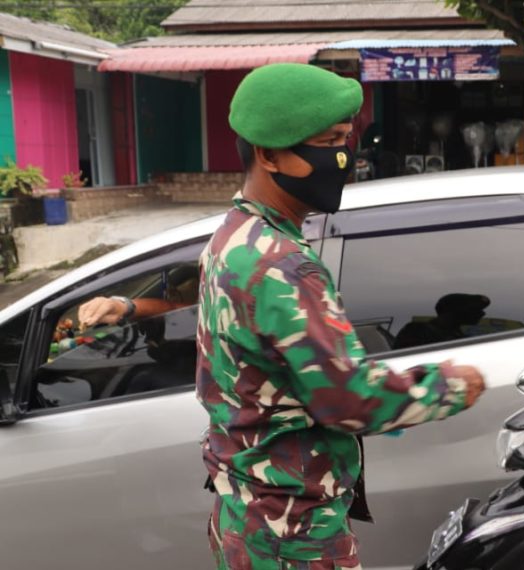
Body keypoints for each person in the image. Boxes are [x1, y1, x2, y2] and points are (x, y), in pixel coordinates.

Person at [196, 63, 485, 570]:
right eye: (330, 140)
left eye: (348, 139)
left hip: (246, 514)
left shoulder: (234, 236)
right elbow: (349, 400)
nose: (345, 157)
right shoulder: (283, 267)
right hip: (293, 533)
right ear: (269, 154)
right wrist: (451, 386)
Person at [393, 293, 490, 349]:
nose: (482, 314)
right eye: (474, 310)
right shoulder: (416, 331)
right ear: (455, 311)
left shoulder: (459, 336)